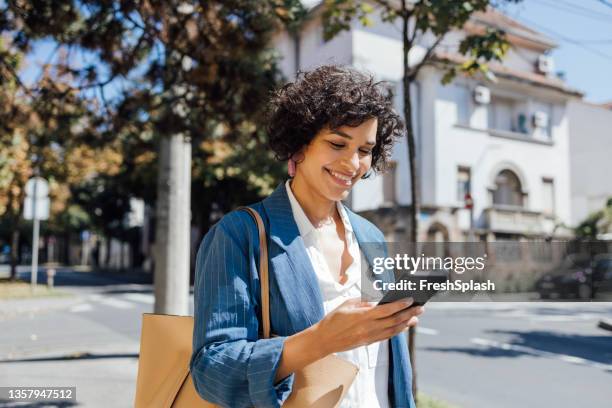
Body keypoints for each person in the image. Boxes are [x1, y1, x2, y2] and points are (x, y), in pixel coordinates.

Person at [190, 65, 423, 408]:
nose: (353, 162)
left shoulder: (370, 235)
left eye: (364, 150)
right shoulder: (239, 235)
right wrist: (321, 340)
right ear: (299, 146)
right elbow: (211, 370)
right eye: (337, 143)